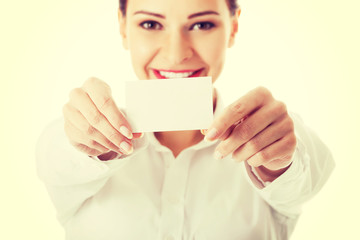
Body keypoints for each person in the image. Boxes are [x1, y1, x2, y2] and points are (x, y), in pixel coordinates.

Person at [36, 0, 335, 239]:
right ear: (123, 27)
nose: (176, 54)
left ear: (233, 28)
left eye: (202, 24)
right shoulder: (70, 148)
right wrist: (86, 145)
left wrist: (278, 161)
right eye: (151, 23)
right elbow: (56, 156)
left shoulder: (274, 140)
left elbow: (306, 175)